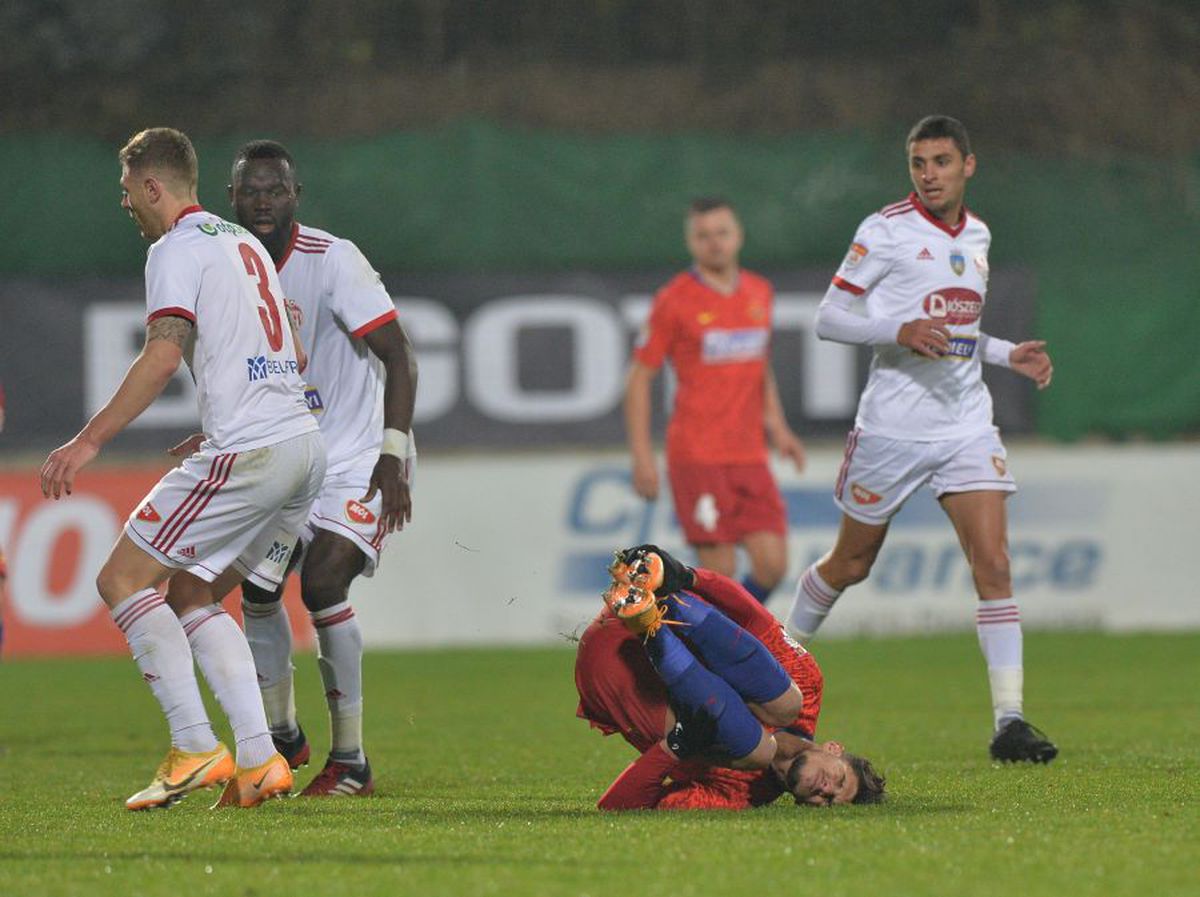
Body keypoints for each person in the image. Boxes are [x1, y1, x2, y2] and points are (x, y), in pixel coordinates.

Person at [39, 127, 326, 809]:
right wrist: (228, 414)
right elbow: (293, 353)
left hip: (253, 451)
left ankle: (195, 745)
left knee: (120, 579)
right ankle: (258, 761)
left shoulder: (174, 249)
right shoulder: (245, 243)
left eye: (126, 191)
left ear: (152, 186)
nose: (125, 204)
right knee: (194, 592)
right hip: (301, 449)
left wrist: (88, 441)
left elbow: (163, 356)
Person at [783, 115, 1058, 764]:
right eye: (918, 163)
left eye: (941, 161)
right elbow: (829, 318)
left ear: (968, 165)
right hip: (893, 427)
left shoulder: (979, 235)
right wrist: (896, 330)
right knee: (851, 564)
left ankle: (1010, 722)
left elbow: (957, 330)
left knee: (994, 564)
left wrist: (1005, 353)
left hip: (965, 423)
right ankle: (778, 657)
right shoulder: (885, 230)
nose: (929, 175)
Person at [166, 139, 418, 797]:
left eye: (274, 190)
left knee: (325, 581)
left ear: (295, 196)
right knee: (257, 590)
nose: (263, 202)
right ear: (231, 197)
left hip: (356, 458)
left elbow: (399, 354)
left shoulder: (332, 260)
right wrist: (217, 432)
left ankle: (351, 761)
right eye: (251, 191)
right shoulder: (224, 264)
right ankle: (281, 733)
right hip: (284, 454)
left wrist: (393, 453)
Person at [576, 545, 885, 809]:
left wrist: (677, 746)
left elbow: (615, 805)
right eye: (839, 780)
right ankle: (663, 599)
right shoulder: (808, 685)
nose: (826, 789)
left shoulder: (739, 795)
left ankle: (652, 626)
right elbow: (750, 614)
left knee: (759, 751)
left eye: (828, 802)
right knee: (788, 705)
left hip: (607, 671)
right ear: (833, 749)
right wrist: (686, 575)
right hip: (639, 609)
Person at [624, 199, 806, 605]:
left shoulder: (759, 291)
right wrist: (642, 456)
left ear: (738, 235)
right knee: (721, 574)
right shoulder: (675, 299)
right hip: (698, 456)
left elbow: (758, 365)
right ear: (691, 242)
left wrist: (778, 427)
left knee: (772, 565)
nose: (714, 243)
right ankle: (719, 640)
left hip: (749, 454)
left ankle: (721, 631)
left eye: (722, 233)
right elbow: (638, 379)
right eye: (703, 236)